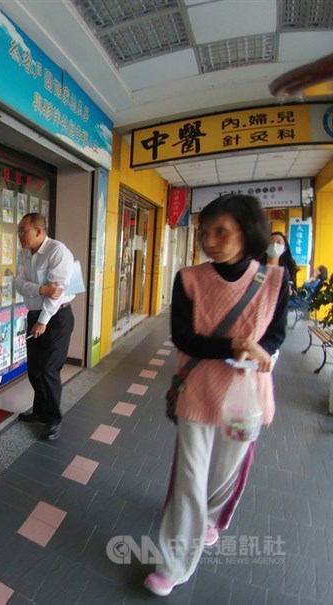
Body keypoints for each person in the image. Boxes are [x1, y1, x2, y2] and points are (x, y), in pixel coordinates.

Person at [144, 194, 288, 597]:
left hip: (246, 397)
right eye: (205, 232)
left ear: (247, 233)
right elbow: (185, 339)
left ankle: (209, 520)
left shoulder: (274, 280)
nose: (210, 240)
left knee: (224, 476)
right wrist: (236, 346)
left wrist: (262, 351)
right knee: (189, 479)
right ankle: (172, 564)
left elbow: (276, 334)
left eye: (220, 231)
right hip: (198, 391)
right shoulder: (189, 278)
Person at [13, 212, 75, 441]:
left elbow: (57, 292)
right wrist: (40, 289)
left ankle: (52, 420)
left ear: (39, 231)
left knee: (49, 369)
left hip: (57, 318)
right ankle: (39, 411)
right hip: (35, 315)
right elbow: (18, 283)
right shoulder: (23, 253)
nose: (19, 235)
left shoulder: (57, 251)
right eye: (19, 231)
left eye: (23, 230)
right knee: (35, 369)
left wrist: (43, 320)